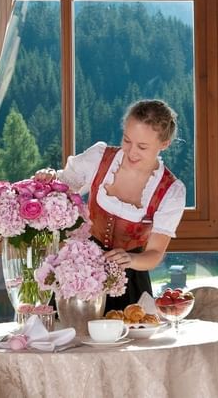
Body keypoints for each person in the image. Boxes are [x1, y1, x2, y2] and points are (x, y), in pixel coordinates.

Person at [35, 99, 186, 310]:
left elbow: (154, 254)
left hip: (128, 282)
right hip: (80, 272)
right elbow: (64, 186)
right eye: (126, 140)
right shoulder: (100, 158)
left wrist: (130, 259)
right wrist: (50, 178)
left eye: (142, 146)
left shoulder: (170, 191)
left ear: (164, 144)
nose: (131, 151)